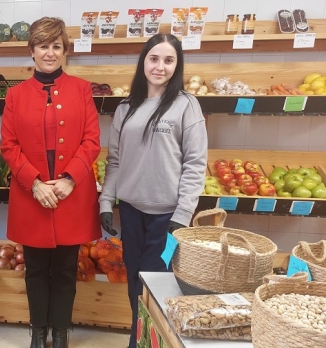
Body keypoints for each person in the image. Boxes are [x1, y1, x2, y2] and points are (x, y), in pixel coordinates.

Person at [99, 33, 207, 348]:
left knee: (157, 282)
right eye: (154, 58)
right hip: (132, 211)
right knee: (134, 280)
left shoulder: (187, 105)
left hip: (167, 216)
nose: (160, 66)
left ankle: (150, 342)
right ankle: (140, 338)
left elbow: (195, 163)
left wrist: (184, 213)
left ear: (178, 64)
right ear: (143, 61)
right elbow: (115, 161)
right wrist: (107, 202)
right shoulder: (126, 108)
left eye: (169, 60)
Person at [0, 17, 101, 348]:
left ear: (64, 51)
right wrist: (34, 183)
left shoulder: (82, 89)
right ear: (32, 51)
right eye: (43, 46)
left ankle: (60, 334)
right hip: (33, 196)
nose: (50, 53)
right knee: (36, 271)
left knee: (66, 271)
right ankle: (38, 332)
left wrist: (71, 178)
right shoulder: (15, 95)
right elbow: (9, 145)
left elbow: (91, 140)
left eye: (56, 46)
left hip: (70, 195)